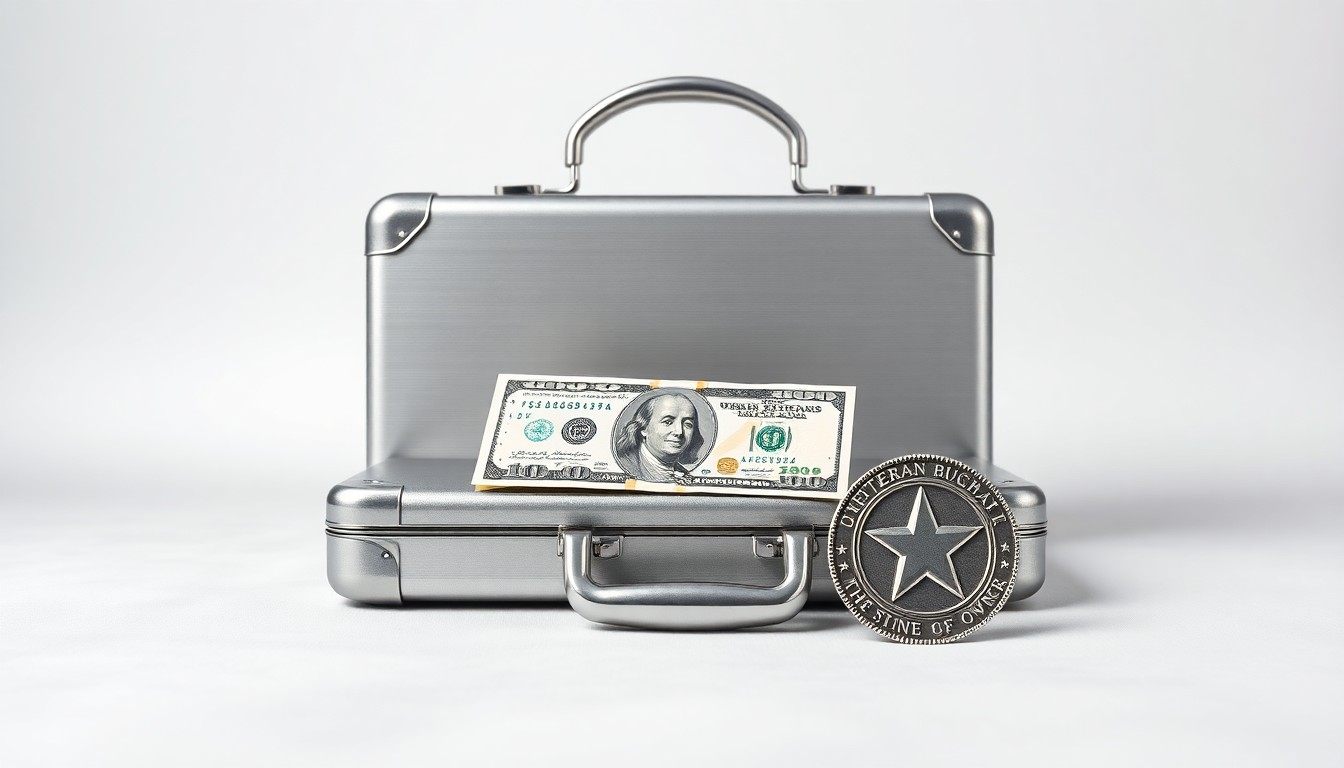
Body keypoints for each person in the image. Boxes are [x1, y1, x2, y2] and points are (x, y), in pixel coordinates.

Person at [613, 392, 706, 482]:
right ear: (644, 428)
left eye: (688, 424)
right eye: (667, 422)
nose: (679, 432)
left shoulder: (685, 474)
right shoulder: (626, 466)